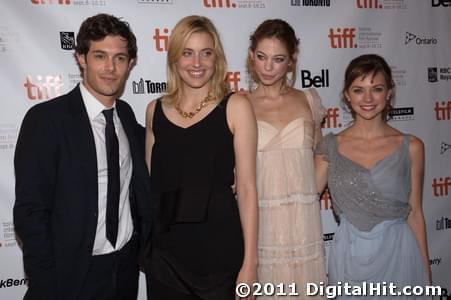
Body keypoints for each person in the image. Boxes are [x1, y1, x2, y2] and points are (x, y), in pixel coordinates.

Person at [14, 13, 151, 300]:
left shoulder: (126, 116)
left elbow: (164, 157)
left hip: (125, 271)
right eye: (100, 56)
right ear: (81, 58)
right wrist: (47, 285)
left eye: (120, 58)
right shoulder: (47, 121)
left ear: (131, 63)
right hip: (70, 277)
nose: (110, 68)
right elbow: (30, 213)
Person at [144, 15, 258, 300]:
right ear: (174, 59)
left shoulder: (236, 106)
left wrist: (250, 264)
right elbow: (151, 188)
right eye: (188, 53)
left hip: (219, 256)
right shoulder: (153, 111)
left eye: (206, 53)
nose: (197, 63)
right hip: (165, 258)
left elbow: (246, 190)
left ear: (216, 59)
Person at [315, 54, 431, 297]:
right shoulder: (329, 146)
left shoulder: (411, 147)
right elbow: (305, 197)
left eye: (376, 89)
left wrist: (426, 277)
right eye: (358, 90)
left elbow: (416, 213)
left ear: (389, 92)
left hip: (399, 255)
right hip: (349, 256)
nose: (367, 99)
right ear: (347, 94)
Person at [246, 19, 327, 299]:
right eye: (261, 57)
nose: (268, 67)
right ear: (251, 56)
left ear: (291, 61)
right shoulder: (238, 105)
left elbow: (320, 160)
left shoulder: (309, 101)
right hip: (261, 227)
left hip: (305, 226)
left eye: (278, 59)